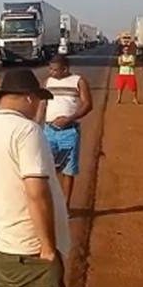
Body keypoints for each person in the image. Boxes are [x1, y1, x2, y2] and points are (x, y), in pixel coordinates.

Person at [0, 69, 70, 287]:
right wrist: (47, 248)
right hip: (28, 249)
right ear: (30, 97)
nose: (39, 106)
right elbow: (36, 194)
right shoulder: (27, 131)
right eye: (38, 100)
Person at [39, 55, 93, 212]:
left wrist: (70, 118)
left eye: (55, 70)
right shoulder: (48, 82)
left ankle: (65, 206)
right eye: (50, 69)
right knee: (47, 169)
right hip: (49, 131)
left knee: (68, 170)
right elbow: (43, 104)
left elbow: (88, 104)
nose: (52, 72)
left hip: (69, 132)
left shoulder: (79, 81)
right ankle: (50, 204)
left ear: (65, 69)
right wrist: (36, 124)